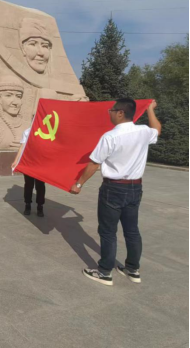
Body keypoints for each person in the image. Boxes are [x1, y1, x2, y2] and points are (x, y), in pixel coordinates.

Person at [71, 99, 161, 286]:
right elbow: (157, 130)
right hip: (135, 188)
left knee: (108, 232)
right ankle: (132, 269)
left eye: (111, 110)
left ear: (120, 113)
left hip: (113, 189)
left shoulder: (110, 137)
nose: (109, 113)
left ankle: (104, 272)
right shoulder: (143, 131)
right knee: (132, 230)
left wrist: (79, 184)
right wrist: (150, 110)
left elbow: (94, 163)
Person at [11, 125, 46, 217]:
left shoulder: (46, 131)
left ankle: (40, 206)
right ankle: (27, 205)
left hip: (40, 163)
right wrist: (16, 160)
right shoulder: (27, 132)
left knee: (40, 186)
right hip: (29, 163)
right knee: (28, 185)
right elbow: (22, 147)